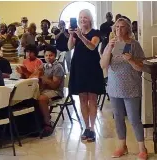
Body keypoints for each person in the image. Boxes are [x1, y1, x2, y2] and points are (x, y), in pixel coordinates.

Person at [100, 18, 148, 160]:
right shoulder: (111, 44)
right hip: (114, 87)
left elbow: (141, 67)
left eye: (122, 27)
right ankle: (122, 146)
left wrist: (131, 59)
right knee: (118, 118)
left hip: (131, 86)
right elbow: (103, 65)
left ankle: (142, 148)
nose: (119, 30)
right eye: (116, 27)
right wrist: (109, 48)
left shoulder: (134, 45)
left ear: (127, 29)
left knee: (134, 119)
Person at [68, 9, 105, 142]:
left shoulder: (96, 33)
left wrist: (81, 36)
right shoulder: (77, 33)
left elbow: (92, 47)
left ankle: (93, 129)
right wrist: (72, 35)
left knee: (92, 99)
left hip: (92, 68)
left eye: (85, 17)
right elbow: (69, 47)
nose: (82, 20)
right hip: (79, 68)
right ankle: (86, 127)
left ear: (90, 19)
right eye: (80, 17)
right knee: (83, 98)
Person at [36, 45, 65, 136]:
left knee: (41, 98)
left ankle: (47, 123)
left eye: (51, 55)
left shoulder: (58, 67)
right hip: (45, 90)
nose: (48, 57)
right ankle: (37, 123)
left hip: (57, 92)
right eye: (46, 56)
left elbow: (54, 86)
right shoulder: (44, 66)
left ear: (55, 56)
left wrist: (44, 78)